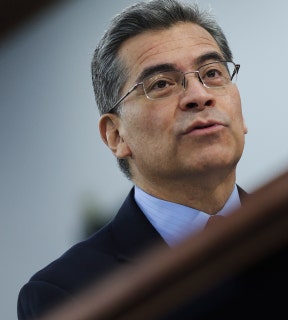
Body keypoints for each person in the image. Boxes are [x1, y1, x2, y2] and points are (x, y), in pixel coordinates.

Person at [17, 0, 249, 318]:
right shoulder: (66, 294)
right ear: (116, 135)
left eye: (212, 73)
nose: (199, 95)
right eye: (161, 84)